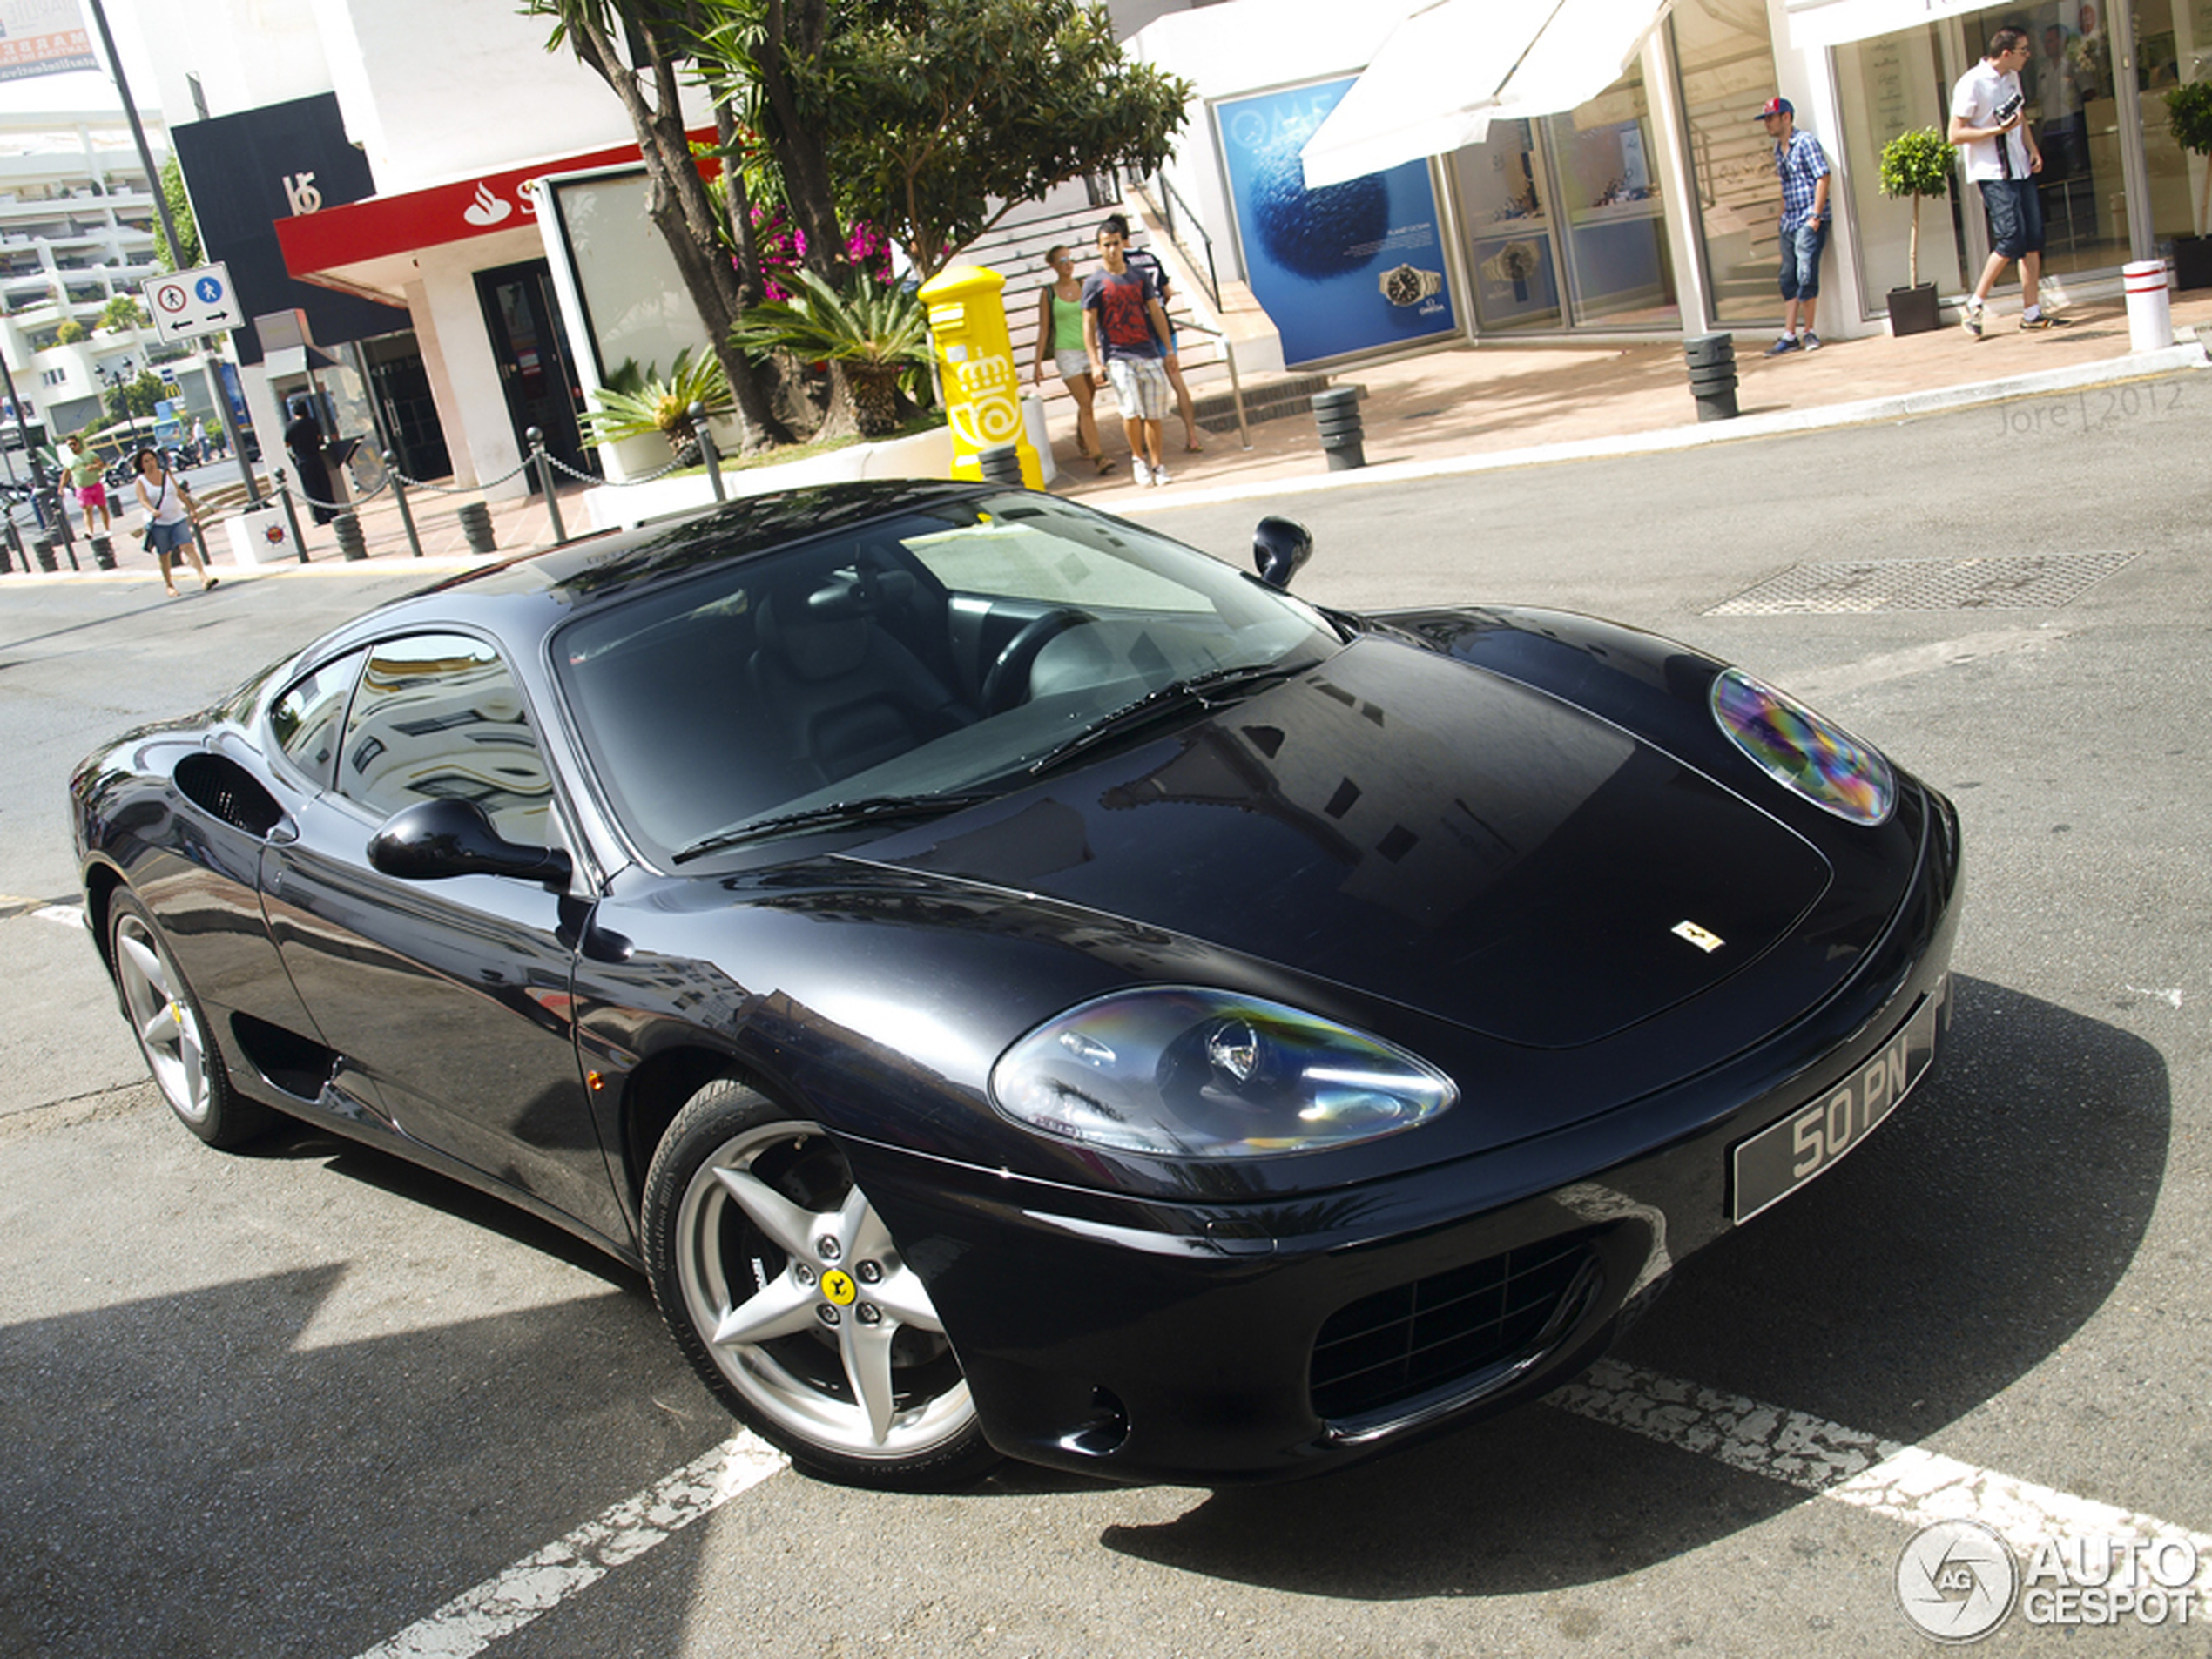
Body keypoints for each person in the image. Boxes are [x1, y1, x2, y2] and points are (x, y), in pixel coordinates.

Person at [1950, 26, 2074, 336]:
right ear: (2006, 53)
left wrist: (2031, 149)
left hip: (2020, 167)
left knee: (2033, 239)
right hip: (1993, 172)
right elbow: (1955, 134)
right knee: (2009, 239)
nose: (2028, 56)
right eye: (2023, 50)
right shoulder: (1972, 83)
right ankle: (1975, 304)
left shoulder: (2012, 78)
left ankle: (2031, 312)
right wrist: (1995, 132)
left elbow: (2020, 118)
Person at [1083, 218, 1175, 487]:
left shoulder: (1138, 276)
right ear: (1099, 248)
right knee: (1130, 409)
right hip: (1118, 355)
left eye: (1116, 244)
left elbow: (1155, 311)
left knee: (1153, 413)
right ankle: (1138, 459)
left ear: (1123, 244)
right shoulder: (1094, 283)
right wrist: (1094, 362)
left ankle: (1158, 464)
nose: (1112, 250)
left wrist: (1168, 349)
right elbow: (1088, 323)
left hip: (1146, 351)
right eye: (1106, 245)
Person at [1102, 212, 1204, 454]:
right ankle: (1192, 436)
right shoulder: (1150, 257)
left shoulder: (1118, 266)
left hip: (1138, 334)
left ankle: (1143, 444)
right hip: (1163, 328)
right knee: (1177, 381)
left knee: (1137, 389)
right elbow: (1167, 293)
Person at [1754, 98, 1831, 354]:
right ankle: (1789, 334)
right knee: (1788, 276)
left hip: (1807, 219)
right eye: (1766, 118)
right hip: (1790, 220)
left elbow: (1823, 175)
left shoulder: (1805, 142)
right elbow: (1785, 185)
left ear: (1786, 117)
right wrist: (1782, 213)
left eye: (1771, 118)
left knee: (1806, 274)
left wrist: (1815, 216)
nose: (1767, 123)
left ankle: (1809, 331)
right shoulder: (1779, 149)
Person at [1032, 246, 1114, 475]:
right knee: (1086, 404)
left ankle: (1082, 437)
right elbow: (1044, 329)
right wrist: (1037, 363)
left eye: (1070, 260)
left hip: (1089, 350)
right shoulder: (1048, 293)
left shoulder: (1084, 285)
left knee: (1087, 401)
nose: (1068, 265)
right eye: (1062, 261)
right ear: (1053, 266)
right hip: (1066, 352)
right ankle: (1099, 457)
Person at [132, 448, 216, 596]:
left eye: (152, 459)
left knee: (188, 546)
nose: (151, 463)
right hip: (159, 523)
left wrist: (191, 508)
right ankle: (169, 585)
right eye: (146, 461)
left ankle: (203, 577)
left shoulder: (166, 475)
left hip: (177, 518)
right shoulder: (141, 481)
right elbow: (143, 500)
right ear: (141, 465)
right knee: (164, 554)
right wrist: (152, 510)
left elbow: (178, 492)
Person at [283, 397, 338, 524]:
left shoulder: (291, 427)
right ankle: (333, 512)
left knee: (312, 490)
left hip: (303, 461)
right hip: (316, 457)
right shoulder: (313, 423)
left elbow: (287, 444)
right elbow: (319, 437)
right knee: (324, 486)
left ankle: (320, 517)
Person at [62, 435, 111, 533]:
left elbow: (101, 464)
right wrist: (61, 488)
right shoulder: (68, 459)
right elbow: (66, 474)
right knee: (87, 509)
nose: (72, 447)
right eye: (69, 445)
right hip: (81, 487)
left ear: (78, 444)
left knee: (102, 507)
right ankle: (90, 531)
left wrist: (94, 466)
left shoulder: (89, 454)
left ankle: (107, 529)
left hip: (95, 484)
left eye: (73, 444)